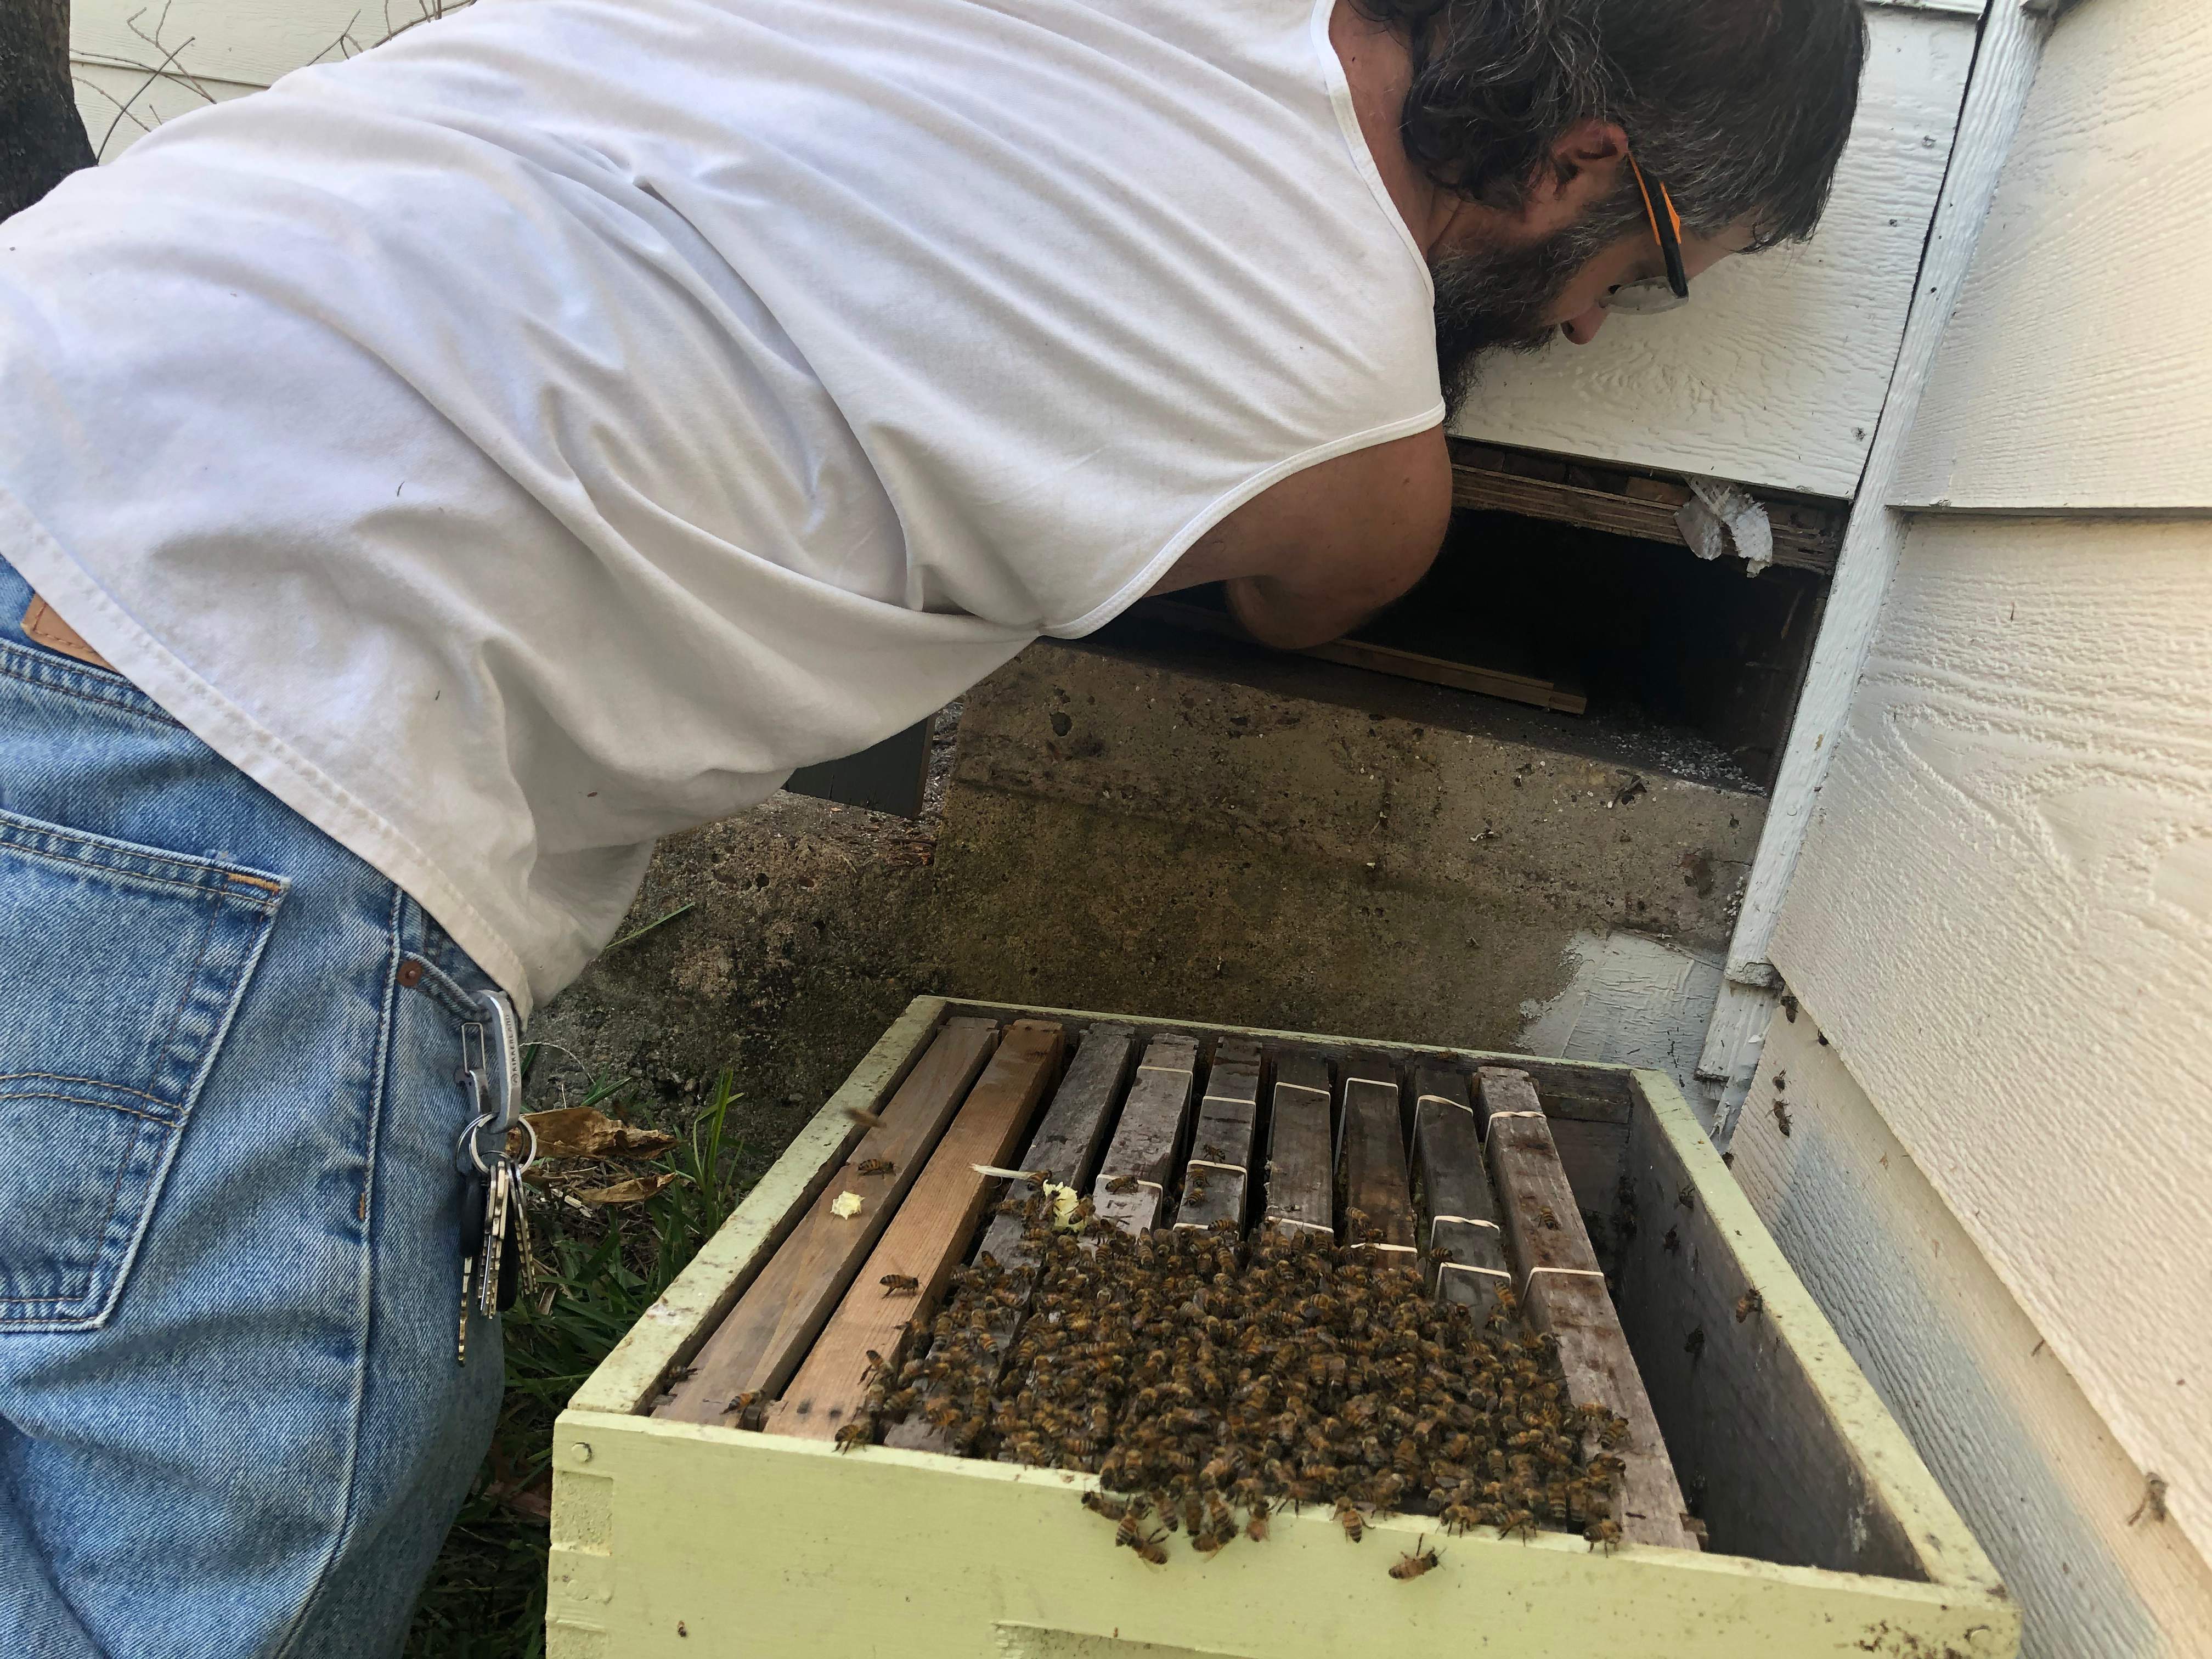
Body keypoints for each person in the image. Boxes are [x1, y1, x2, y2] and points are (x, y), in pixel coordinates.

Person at [0, 0, 1864, 1649]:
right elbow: (1319, 587)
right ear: (1578, 161)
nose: (1594, 319)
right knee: (226, 1551)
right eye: (1650, 270)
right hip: (223, 685)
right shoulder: (1356, 433)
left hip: (64, 389)